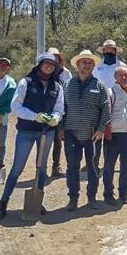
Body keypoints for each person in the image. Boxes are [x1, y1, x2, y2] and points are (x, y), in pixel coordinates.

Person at [0, 53, 64, 221]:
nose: (49, 67)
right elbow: (15, 107)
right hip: (27, 131)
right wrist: (34, 116)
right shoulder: (26, 82)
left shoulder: (57, 87)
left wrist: (56, 118)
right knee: (17, 167)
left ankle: (37, 201)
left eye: (52, 65)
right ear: (39, 65)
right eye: (46, 64)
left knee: (42, 168)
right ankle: (3, 203)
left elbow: (59, 108)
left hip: (47, 131)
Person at [59, 50, 110, 211]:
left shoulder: (100, 86)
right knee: (72, 167)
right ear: (77, 65)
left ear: (93, 66)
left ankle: (92, 198)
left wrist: (101, 129)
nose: (86, 65)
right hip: (71, 133)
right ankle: (73, 198)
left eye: (89, 63)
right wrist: (60, 128)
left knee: (93, 167)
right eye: (84, 62)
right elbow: (61, 108)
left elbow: (106, 108)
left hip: (92, 134)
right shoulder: (67, 85)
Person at [103, 65, 127, 206]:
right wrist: (107, 132)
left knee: (126, 165)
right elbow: (106, 113)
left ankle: (124, 193)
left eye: (126, 75)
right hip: (114, 134)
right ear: (115, 77)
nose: (124, 78)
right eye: (121, 75)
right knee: (110, 165)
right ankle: (108, 194)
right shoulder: (110, 92)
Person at [93, 39, 126, 171]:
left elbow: (126, 85)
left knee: (110, 136)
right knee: (96, 134)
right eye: (106, 49)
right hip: (97, 104)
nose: (109, 52)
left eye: (111, 50)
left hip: (115, 104)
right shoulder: (97, 66)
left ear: (115, 51)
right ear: (103, 51)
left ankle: (109, 163)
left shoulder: (122, 65)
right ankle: (93, 163)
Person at [47, 47, 73, 178]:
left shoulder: (65, 73)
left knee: (58, 139)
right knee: (44, 139)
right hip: (45, 108)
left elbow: (70, 89)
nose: (54, 60)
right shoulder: (44, 72)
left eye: (56, 57)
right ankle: (40, 168)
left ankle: (55, 166)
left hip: (61, 108)